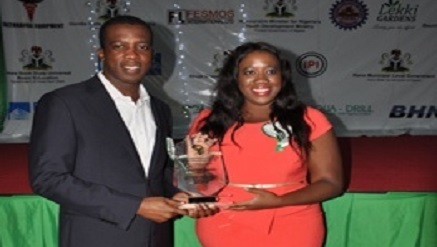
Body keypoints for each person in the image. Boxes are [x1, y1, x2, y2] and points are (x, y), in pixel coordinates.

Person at [28, 15, 214, 247]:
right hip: (96, 237)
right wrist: (135, 206)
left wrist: (176, 194)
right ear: (102, 53)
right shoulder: (65, 103)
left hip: (156, 238)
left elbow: (158, 174)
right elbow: (48, 179)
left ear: (151, 54)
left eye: (142, 46)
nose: (132, 55)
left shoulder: (160, 109)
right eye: (119, 46)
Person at [187, 41, 344, 247]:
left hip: (294, 222)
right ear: (235, 78)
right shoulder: (208, 121)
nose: (261, 80)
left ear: (282, 77)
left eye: (271, 71)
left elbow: (331, 183)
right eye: (249, 72)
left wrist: (278, 201)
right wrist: (196, 190)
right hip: (224, 222)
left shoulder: (309, 119)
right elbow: (197, 181)